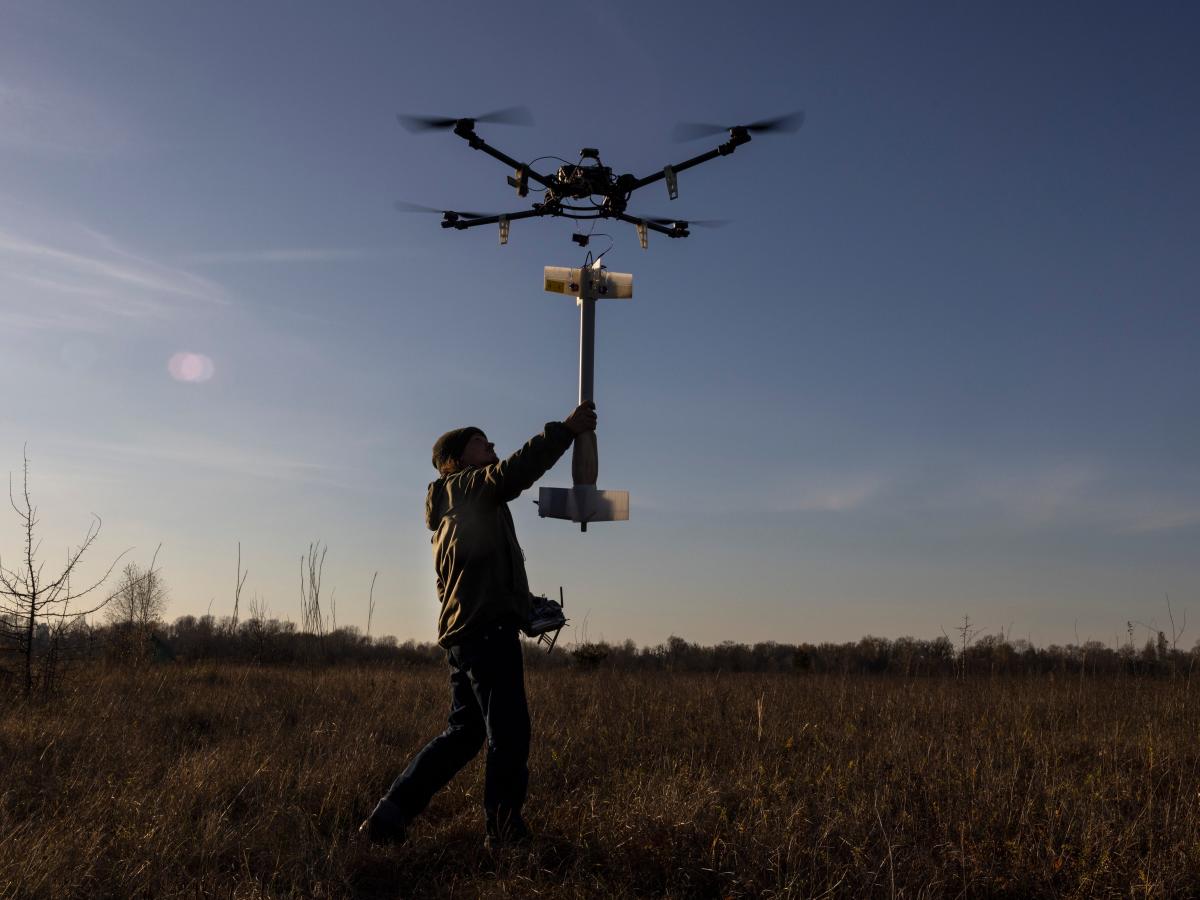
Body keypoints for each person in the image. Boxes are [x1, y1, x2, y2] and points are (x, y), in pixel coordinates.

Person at [360, 401, 598, 849]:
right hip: (486, 634)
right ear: (454, 459)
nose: (490, 445)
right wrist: (566, 431)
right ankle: (504, 834)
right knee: (508, 733)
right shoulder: (469, 488)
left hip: (466, 634)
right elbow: (514, 472)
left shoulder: (457, 506)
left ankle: (387, 817)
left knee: (463, 734)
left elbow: (478, 572)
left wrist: (523, 605)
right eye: (478, 441)